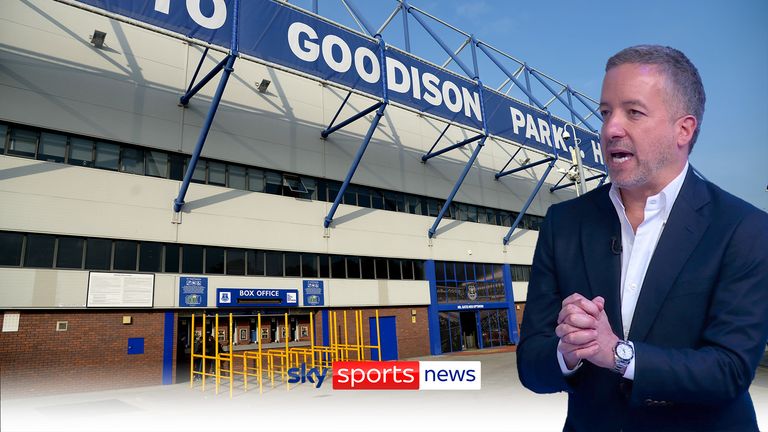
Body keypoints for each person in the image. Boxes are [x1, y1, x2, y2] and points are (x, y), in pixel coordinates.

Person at [516, 45, 768, 432]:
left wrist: (617, 353)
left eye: (633, 112)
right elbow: (532, 366)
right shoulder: (563, 223)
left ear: (683, 129)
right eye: (605, 113)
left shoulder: (744, 228)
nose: (610, 128)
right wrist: (567, 352)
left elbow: (729, 370)